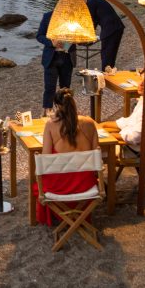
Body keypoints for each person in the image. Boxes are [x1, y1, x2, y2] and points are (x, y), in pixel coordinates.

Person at [34, 88, 99, 226]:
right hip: (86, 184)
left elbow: (46, 159)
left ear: (56, 106)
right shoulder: (89, 123)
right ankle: (80, 216)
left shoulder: (51, 125)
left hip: (59, 187)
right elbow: (96, 154)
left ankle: (60, 217)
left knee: (37, 182)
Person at [102, 68, 145, 151]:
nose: (141, 84)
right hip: (128, 142)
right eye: (140, 80)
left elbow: (135, 137)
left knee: (92, 146)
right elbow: (130, 121)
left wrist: (107, 134)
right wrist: (103, 125)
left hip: (133, 150)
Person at [37, 11, 76, 112]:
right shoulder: (48, 16)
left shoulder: (75, 17)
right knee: (50, 87)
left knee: (66, 87)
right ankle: (47, 112)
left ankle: (64, 111)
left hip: (68, 57)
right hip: (51, 57)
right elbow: (39, 36)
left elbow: (81, 36)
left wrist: (78, 39)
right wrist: (51, 43)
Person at [84, 0, 124, 71]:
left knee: (107, 53)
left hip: (110, 29)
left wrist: (89, 35)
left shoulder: (90, 3)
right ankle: (110, 71)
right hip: (117, 27)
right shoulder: (95, 0)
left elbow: (91, 20)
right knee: (111, 52)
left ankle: (105, 74)